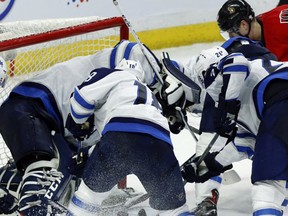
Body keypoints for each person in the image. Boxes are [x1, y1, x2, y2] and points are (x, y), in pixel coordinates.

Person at [0, 39, 166, 215]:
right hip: (29, 107)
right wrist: (159, 81)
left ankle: (9, 184)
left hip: (57, 127)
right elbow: (131, 50)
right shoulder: (117, 70)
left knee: (75, 174)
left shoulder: (120, 108)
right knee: (39, 188)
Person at [161, 36, 278, 216]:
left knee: (209, 143)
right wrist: (213, 162)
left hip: (260, 100)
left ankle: (206, 200)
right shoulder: (261, 55)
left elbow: (178, 72)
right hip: (267, 99)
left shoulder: (220, 66)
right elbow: (244, 142)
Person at [65, 58, 194, 216]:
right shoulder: (150, 97)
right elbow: (139, 141)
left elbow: (79, 107)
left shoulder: (111, 74)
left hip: (119, 139)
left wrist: (78, 123)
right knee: (175, 210)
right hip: (160, 145)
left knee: (88, 197)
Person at [217, 0, 288, 61]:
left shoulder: (280, 31)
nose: (231, 38)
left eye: (231, 33)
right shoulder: (264, 23)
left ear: (244, 25)